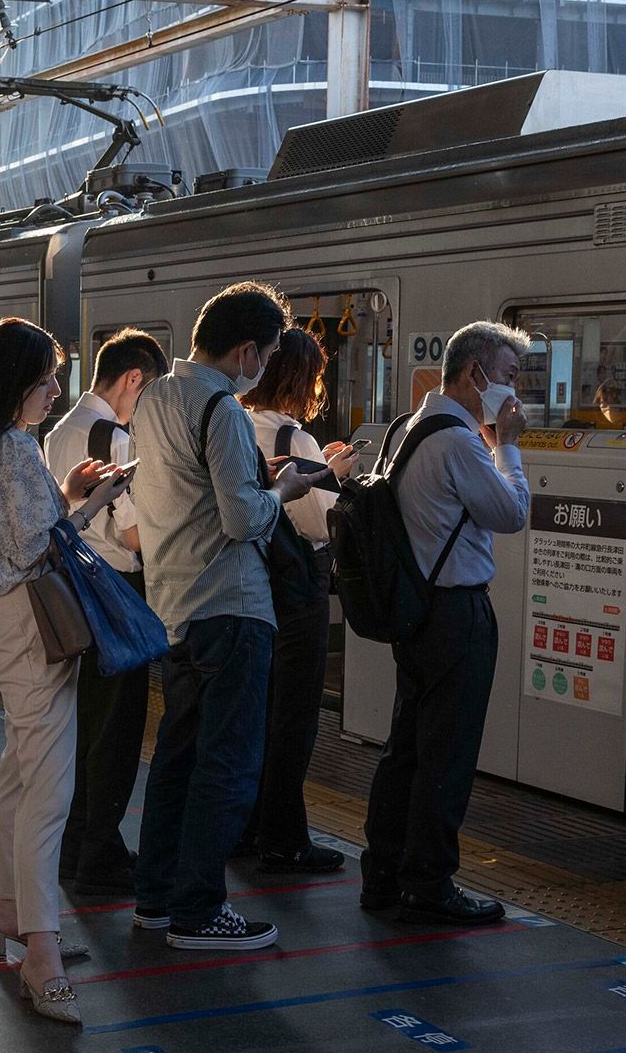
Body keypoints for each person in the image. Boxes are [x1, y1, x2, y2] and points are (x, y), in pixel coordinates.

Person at [128, 281, 323, 951]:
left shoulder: (153, 398)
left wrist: (249, 482)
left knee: (176, 761)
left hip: (172, 607)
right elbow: (243, 519)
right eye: (265, 355)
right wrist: (283, 489)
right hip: (230, 606)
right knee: (228, 765)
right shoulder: (223, 408)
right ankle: (199, 910)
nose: (264, 367)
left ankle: (156, 898)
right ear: (245, 350)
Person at [0, 318, 116, 1024]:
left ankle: (9, 914)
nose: (53, 390)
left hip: (5, 623)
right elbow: (39, 544)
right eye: (45, 378)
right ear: (16, 382)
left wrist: (67, 496)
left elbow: (19, 536)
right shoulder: (14, 449)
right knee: (49, 790)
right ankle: (40, 953)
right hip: (33, 626)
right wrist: (95, 501)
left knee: (20, 776)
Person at [362, 322, 533, 926]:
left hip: (417, 610)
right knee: (447, 752)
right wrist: (507, 445)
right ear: (474, 375)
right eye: (509, 377)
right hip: (456, 613)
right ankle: (429, 882)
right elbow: (510, 512)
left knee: (406, 747)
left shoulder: (407, 427)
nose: (515, 393)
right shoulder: (460, 442)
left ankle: (382, 873)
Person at [46, 329, 165, 894]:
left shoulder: (61, 428)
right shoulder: (114, 437)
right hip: (117, 588)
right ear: (133, 380)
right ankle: (102, 853)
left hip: (76, 588)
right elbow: (136, 535)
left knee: (84, 723)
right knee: (117, 729)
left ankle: (75, 846)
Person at [240, 327, 359, 875]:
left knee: (255, 711)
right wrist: (333, 476)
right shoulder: (295, 439)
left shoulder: (235, 423)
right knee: (293, 715)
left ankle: (246, 825)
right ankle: (284, 837)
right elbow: (315, 523)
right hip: (296, 589)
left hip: (250, 582)